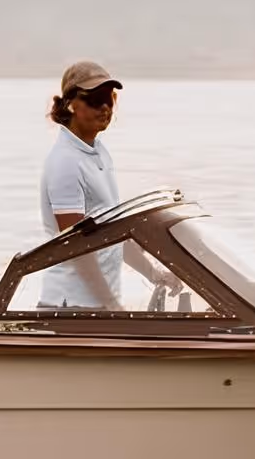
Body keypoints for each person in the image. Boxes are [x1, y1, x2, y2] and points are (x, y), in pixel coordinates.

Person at [37, 60, 178, 309]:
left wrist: (156, 274)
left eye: (109, 98)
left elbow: (113, 234)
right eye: (95, 99)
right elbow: (75, 246)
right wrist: (109, 304)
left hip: (96, 308)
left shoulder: (99, 154)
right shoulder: (65, 162)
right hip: (71, 309)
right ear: (71, 104)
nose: (104, 107)